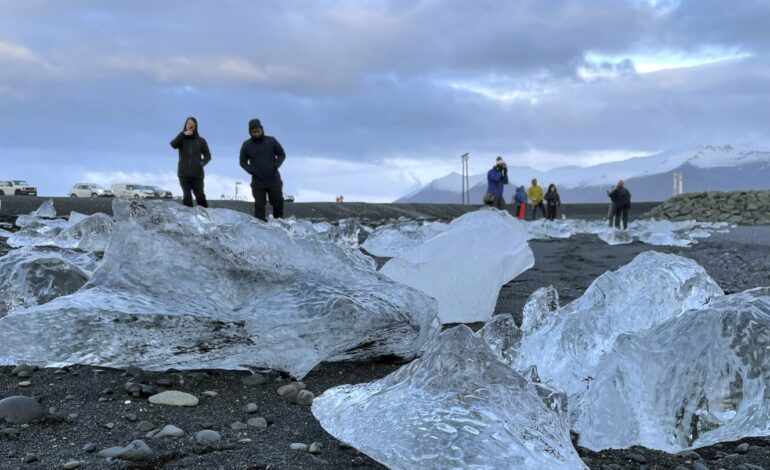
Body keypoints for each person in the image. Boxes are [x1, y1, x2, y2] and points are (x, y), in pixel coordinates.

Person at [239, 118, 286, 221]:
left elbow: (282, 155)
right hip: (258, 181)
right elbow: (242, 162)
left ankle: (279, 224)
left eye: (258, 131)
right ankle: (260, 228)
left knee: (278, 203)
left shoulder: (271, 141)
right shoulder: (246, 145)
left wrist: (275, 166)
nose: (256, 133)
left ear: (262, 129)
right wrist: (251, 170)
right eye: (253, 132)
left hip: (273, 179)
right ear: (250, 132)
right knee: (259, 206)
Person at [170, 116, 211, 208]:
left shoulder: (201, 141)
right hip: (183, 174)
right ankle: (188, 220)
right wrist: (183, 134)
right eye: (188, 123)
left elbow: (208, 156)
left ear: (195, 127)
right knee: (187, 198)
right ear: (185, 126)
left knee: (200, 196)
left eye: (192, 124)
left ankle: (206, 218)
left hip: (197, 175)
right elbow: (173, 144)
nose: (190, 125)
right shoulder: (181, 139)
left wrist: (201, 164)